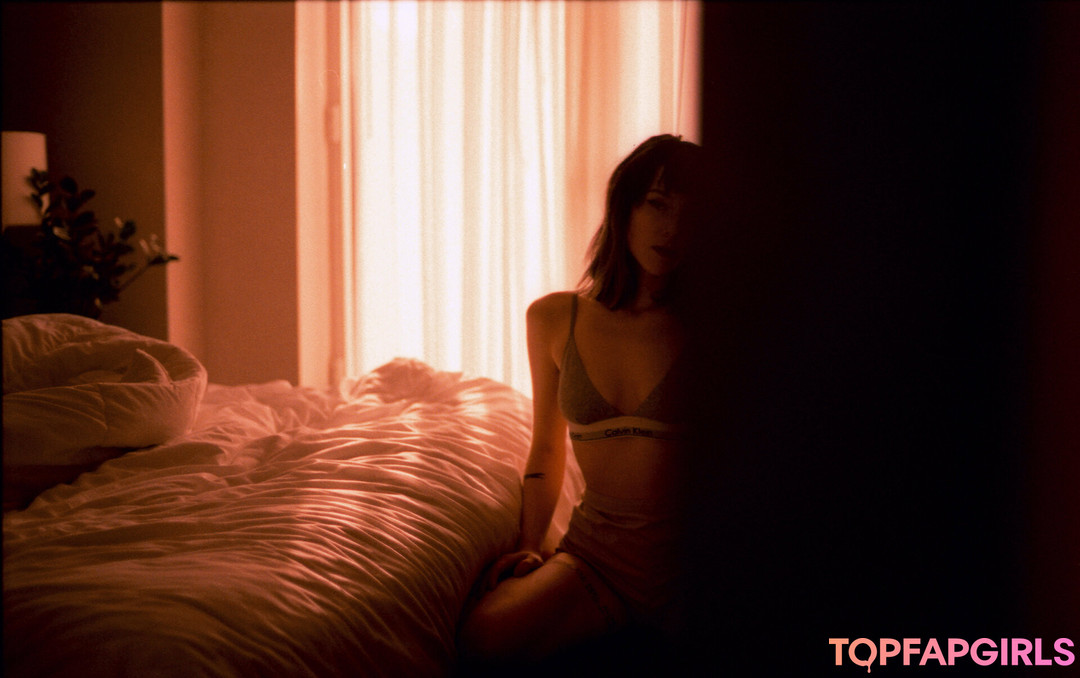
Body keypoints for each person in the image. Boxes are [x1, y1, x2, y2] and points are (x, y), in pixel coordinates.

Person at [457, 135, 706, 668]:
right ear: (623, 207)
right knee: (484, 638)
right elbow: (546, 449)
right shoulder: (553, 318)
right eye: (657, 204)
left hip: (691, 566)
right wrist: (531, 545)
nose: (671, 228)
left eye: (689, 214)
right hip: (598, 564)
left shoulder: (711, 327)